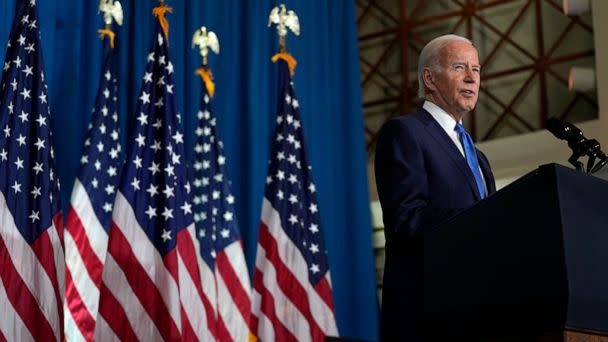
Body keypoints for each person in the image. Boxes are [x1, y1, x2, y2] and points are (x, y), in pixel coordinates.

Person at [374, 34, 497, 340]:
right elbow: (407, 219)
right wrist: (478, 220)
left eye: (477, 69)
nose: (471, 77)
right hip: (430, 314)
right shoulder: (406, 132)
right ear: (429, 78)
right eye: (459, 67)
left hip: (481, 311)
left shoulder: (478, 157)